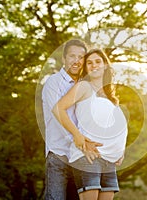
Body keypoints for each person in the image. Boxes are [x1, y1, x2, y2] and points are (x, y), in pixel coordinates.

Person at [52, 49, 128, 200]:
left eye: (98, 62)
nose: (94, 65)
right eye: (89, 63)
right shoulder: (84, 87)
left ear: (105, 65)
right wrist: (77, 136)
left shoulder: (110, 96)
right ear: (85, 68)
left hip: (109, 160)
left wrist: (121, 151)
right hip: (88, 156)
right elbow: (58, 109)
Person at [42, 39, 102, 200]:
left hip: (81, 157)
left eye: (81, 57)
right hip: (59, 154)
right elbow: (59, 115)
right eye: (72, 56)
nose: (76, 61)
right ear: (64, 59)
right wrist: (80, 140)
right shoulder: (53, 82)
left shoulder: (86, 85)